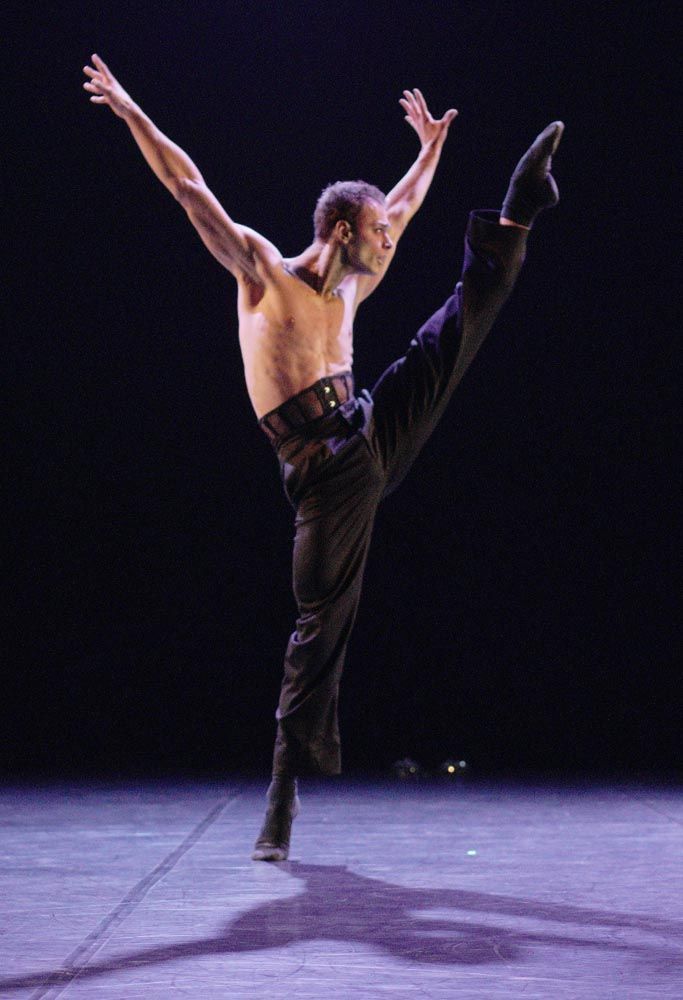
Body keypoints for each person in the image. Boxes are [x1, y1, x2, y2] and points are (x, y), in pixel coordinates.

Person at [83, 54, 563, 861]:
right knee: (319, 624)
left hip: (368, 429)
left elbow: (402, 205)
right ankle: (282, 791)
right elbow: (187, 185)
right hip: (321, 475)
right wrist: (131, 110)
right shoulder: (263, 275)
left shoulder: (350, 289)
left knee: (445, 340)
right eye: (375, 232)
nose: (388, 239)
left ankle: (516, 213)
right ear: (341, 231)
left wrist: (428, 151)